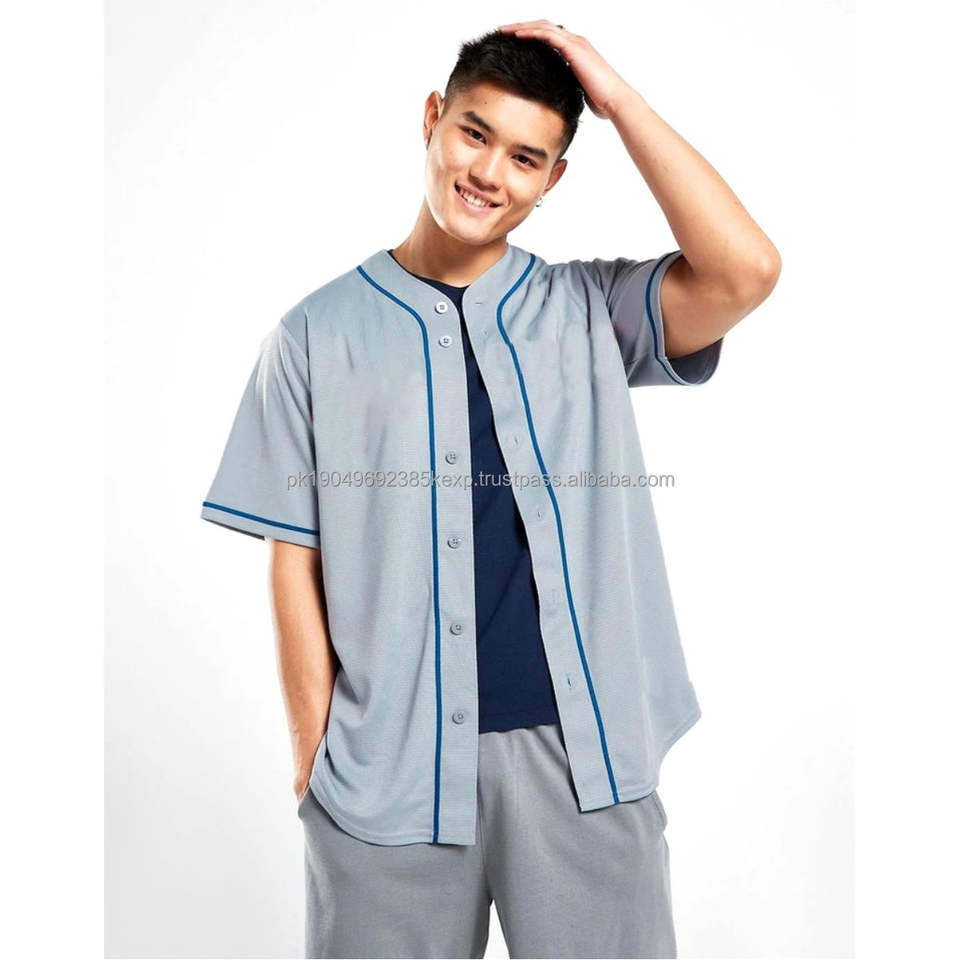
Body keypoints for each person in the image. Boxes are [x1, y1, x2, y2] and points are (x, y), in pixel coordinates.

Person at [200, 21, 780, 960]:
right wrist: (315, 761)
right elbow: (292, 558)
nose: (489, 173)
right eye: (475, 134)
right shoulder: (312, 338)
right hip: (386, 778)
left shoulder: (591, 311)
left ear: (553, 180)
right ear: (433, 118)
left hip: (583, 768)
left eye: (525, 157)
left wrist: (617, 100)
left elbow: (747, 269)